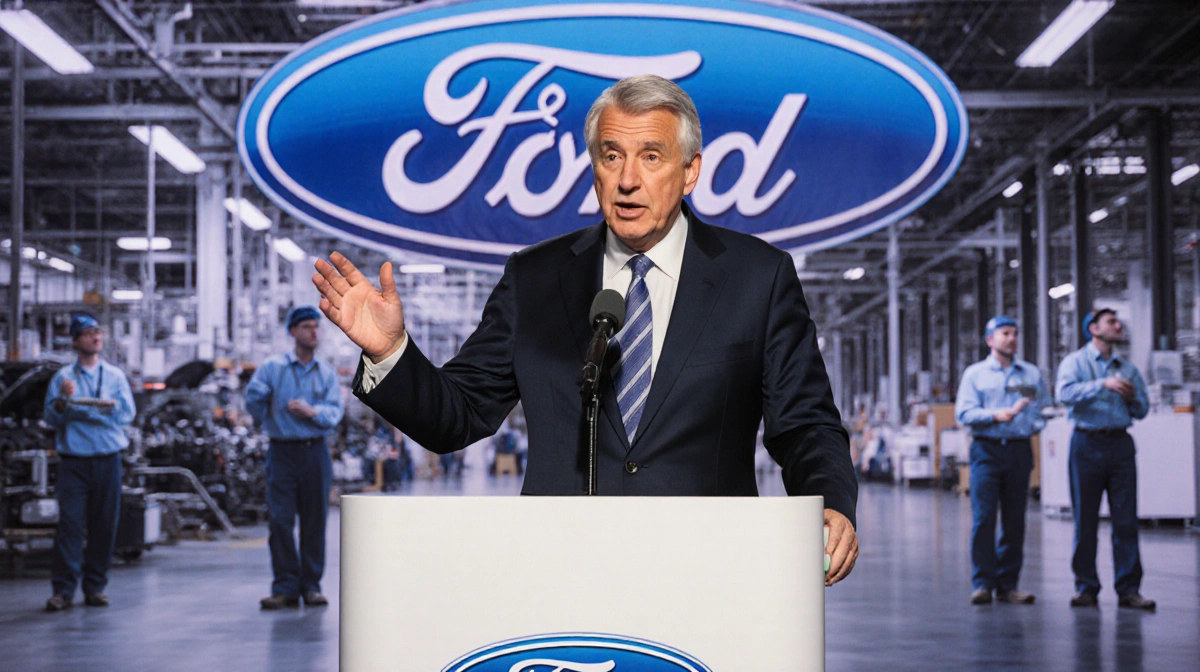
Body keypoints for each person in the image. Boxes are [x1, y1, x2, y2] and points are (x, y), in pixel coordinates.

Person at [312, 75, 859, 585]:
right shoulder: (535, 278)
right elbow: (458, 414)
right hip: (560, 578)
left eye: (651, 156)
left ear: (691, 170)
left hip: (709, 575)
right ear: (593, 166)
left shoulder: (757, 278)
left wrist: (830, 502)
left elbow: (805, 424)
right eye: (611, 155)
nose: (627, 180)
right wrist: (390, 352)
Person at [245, 305, 345, 609]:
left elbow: (334, 413)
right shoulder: (273, 368)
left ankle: (311, 586)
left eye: (316, 327)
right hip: (282, 451)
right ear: (292, 332)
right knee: (280, 520)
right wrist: (263, 396)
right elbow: (252, 404)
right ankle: (285, 586)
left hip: (315, 451)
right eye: (306, 327)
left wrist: (312, 411)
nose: (314, 331)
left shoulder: (326, 373)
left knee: (315, 521)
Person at [1056, 308, 1155, 610]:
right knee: (1085, 519)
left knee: (1125, 520)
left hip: (1120, 445)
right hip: (1086, 443)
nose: (1118, 325)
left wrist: (1130, 398)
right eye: (1111, 321)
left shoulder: (1128, 369)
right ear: (1094, 329)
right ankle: (1086, 587)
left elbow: (1142, 410)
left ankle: (1128, 590)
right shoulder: (1075, 363)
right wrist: (1102, 385)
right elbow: (1064, 393)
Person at [41, 313, 136, 612]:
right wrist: (63, 401)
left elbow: (126, 414)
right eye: (87, 333)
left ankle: (95, 587)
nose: (95, 337)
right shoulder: (63, 379)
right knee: (69, 525)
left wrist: (94, 411)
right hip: (74, 461)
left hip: (108, 460)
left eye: (98, 332)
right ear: (75, 340)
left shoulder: (115, 377)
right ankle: (64, 590)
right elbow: (51, 417)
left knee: (104, 525)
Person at [954, 316, 1051, 605]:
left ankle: (1008, 585)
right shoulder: (976, 375)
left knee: (1015, 519)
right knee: (984, 518)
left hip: (1019, 451)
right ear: (990, 340)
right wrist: (995, 416)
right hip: (987, 451)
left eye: (1015, 333)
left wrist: (1027, 423)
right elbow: (964, 414)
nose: (1011, 338)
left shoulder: (1030, 375)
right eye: (1005, 333)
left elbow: (1042, 410)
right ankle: (983, 583)